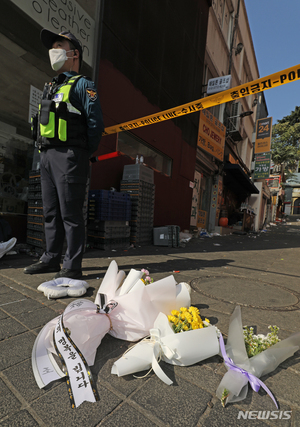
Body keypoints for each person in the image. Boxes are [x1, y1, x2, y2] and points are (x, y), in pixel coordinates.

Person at [24, 29, 104, 279]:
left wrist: (81, 152)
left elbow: (95, 124)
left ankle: (72, 266)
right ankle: (50, 258)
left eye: (59, 45)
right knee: (50, 212)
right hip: (47, 156)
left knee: (70, 213)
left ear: (74, 53)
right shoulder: (52, 86)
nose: (53, 51)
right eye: (53, 46)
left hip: (70, 155)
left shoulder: (83, 85)